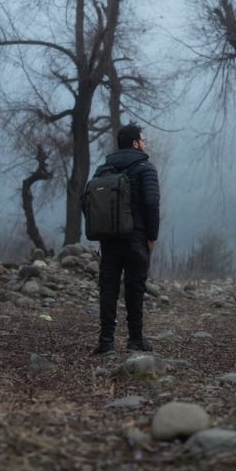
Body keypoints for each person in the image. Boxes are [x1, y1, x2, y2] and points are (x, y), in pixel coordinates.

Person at [91, 123, 160, 355]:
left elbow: (91, 204)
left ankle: (106, 342)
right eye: (143, 139)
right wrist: (152, 236)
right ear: (135, 143)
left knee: (108, 288)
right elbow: (152, 203)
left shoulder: (103, 169)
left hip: (109, 238)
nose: (145, 143)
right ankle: (134, 340)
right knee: (135, 287)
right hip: (136, 236)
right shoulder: (145, 168)